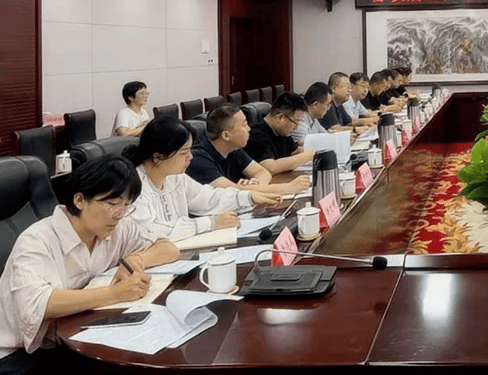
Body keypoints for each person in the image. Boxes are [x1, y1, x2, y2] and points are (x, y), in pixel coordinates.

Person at [0, 156, 179, 373]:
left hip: (73, 336)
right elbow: (41, 303)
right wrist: (115, 293)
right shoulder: (37, 240)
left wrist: (137, 259)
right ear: (80, 200)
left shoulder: (116, 229)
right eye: (112, 204)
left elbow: (168, 248)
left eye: (126, 205)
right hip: (17, 353)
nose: (119, 215)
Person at [127, 116, 280, 242]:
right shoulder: (133, 187)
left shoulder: (175, 177)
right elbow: (150, 230)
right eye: (184, 153)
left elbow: (209, 199)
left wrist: (249, 197)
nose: (190, 157)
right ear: (158, 157)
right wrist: (211, 223)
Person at [186, 104, 309, 195]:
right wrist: (288, 188)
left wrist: (254, 184)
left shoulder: (233, 149)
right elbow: (232, 191)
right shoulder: (198, 159)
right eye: (244, 125)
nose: (249, 129)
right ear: (226, 135)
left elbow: (263, 172)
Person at [245, 93, 315, 174]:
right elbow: (270, 168)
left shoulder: (283, 132)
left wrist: (314, 150)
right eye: (296, 122)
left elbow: (296, 151)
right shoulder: (256, 134)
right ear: (280, 117)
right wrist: (306, 156)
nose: (297, 127)